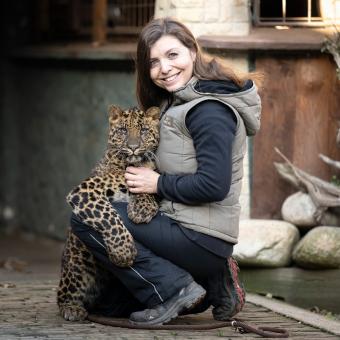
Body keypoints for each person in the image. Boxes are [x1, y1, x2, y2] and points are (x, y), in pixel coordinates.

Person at [71, 17, 261, 326]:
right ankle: (214, 283)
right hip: (179, 225)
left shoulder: (208, 111)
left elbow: (214, 185)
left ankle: (176, 289)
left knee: (84, 214)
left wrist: (157, 183)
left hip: (198, 237)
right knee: (109, 305)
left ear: (192, 52)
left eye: (172, 55)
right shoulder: (177, 102)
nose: (164, 68)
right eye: (153, 62)